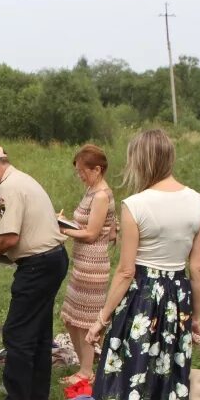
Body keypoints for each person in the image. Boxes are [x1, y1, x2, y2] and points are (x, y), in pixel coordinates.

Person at [85, 129, 200, 400]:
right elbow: (198, 267)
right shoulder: (198, 202)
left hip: (142, 299)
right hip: (178, 299)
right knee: (170, 384)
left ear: (141, 160)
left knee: (137, 390)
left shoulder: (136, 204)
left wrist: (102, 317)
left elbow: (125, 271)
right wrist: (196, 317)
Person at [0, 143, 68, 400]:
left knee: (18, 333)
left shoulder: (9, 188)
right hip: (51, 259)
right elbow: (17, 240)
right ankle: (36, 398)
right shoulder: (21, 181)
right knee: (40, 333)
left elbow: (10, 238)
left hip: (38, 266)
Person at [58, 144, 117, 386]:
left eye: (82, 170)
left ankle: (86, 372)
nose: (80, 175)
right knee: (71, 318)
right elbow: (85, 225)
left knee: (85, 320)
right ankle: (85, 365)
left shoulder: (102, 195)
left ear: (97, 169)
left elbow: (92, 233)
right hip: (81, 263)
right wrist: (65, 222)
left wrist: (64, 229)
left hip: (94, 265)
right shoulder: (91, 190)